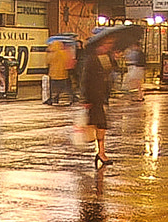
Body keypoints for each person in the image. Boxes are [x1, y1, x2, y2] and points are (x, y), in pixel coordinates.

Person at [81, 38, 117, 169]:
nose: (109, 46)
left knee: (100, 124)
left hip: (102, 96)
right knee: (101, 124)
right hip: (94, 97)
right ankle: (101, 152)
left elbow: (111, 73)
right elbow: (86, 79)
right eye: (107, 43)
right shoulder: (91, 60)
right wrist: (86, 99)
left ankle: (101, 151)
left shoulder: (107, 57)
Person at [45, 39, 73, 106]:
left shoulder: (52, 54)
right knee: (65, 87)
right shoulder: (64, 53)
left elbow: (47, 62)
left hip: (53, 74)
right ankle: (70, 98)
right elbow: (68, 61)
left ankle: (53, 98)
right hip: (63, 74)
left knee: (53, 88)